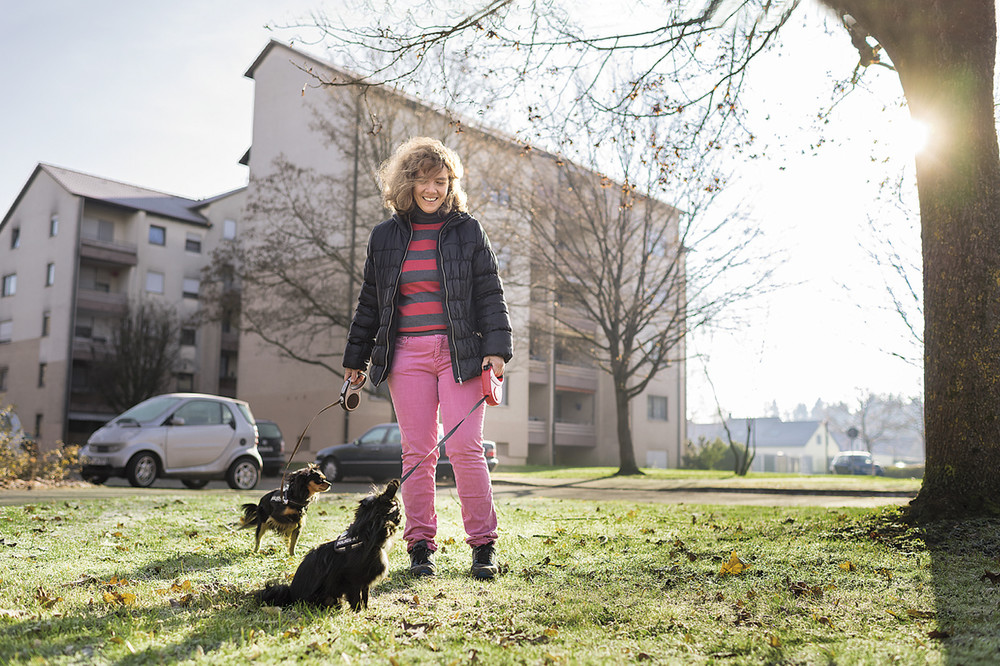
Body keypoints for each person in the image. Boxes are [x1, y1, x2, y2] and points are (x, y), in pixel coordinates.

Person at [343, 137, 513, 580]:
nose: (432, 190)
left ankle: (483, 546)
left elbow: (489, 292)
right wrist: (356, 359)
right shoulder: (383, 238)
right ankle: (420, 546)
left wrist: (496, 349)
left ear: (450, 184)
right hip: (406, 357)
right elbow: (369, 304)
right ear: (408, 183)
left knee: (465, 448)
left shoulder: (468, 231)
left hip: (460, 354)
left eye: (441, 181)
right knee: (417, 453)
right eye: (423, 181)